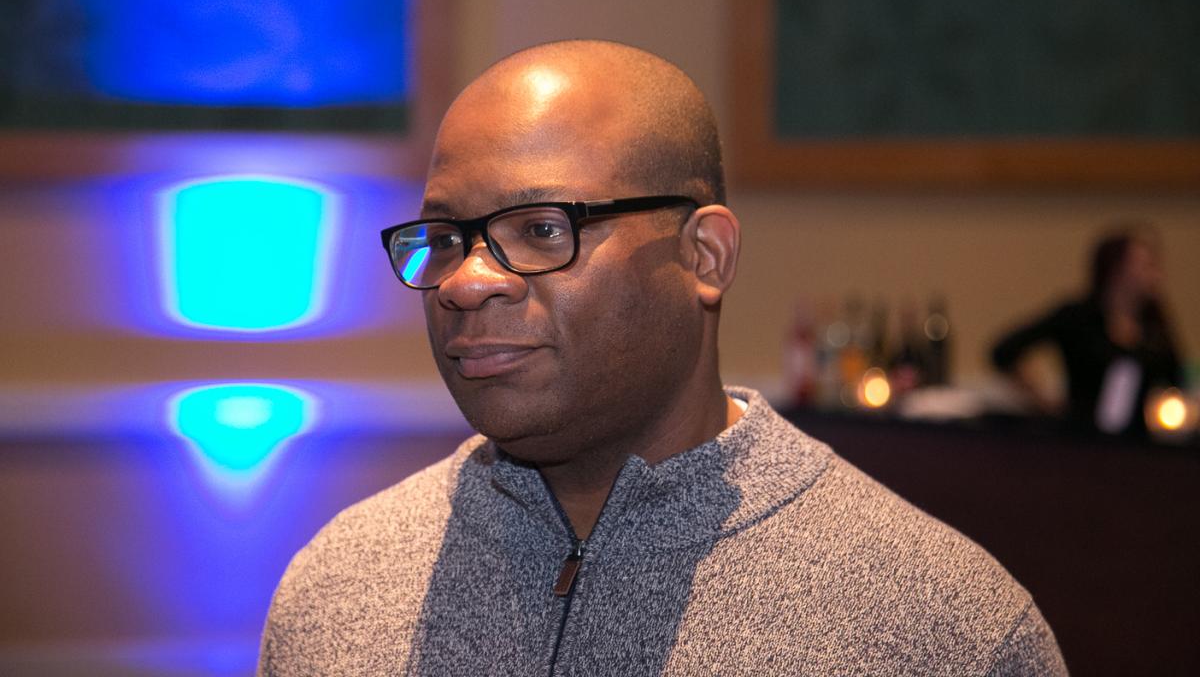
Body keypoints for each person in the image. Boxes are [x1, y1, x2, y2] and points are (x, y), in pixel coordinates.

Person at [258, 40, 1067, 675]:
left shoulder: (941, 628)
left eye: (541, 229)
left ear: (704, 257)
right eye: (444, 238)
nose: (466, 283)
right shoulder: (339, 588)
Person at [992, 228, 1185, 438]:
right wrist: (1042, 400)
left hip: (1141, 440)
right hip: (1082, 437)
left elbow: (1176, 378)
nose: (1156, 274)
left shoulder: (1154, 322)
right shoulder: (1078, 317)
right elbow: (1004, 351)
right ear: (1117, 270)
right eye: (1146, 265)